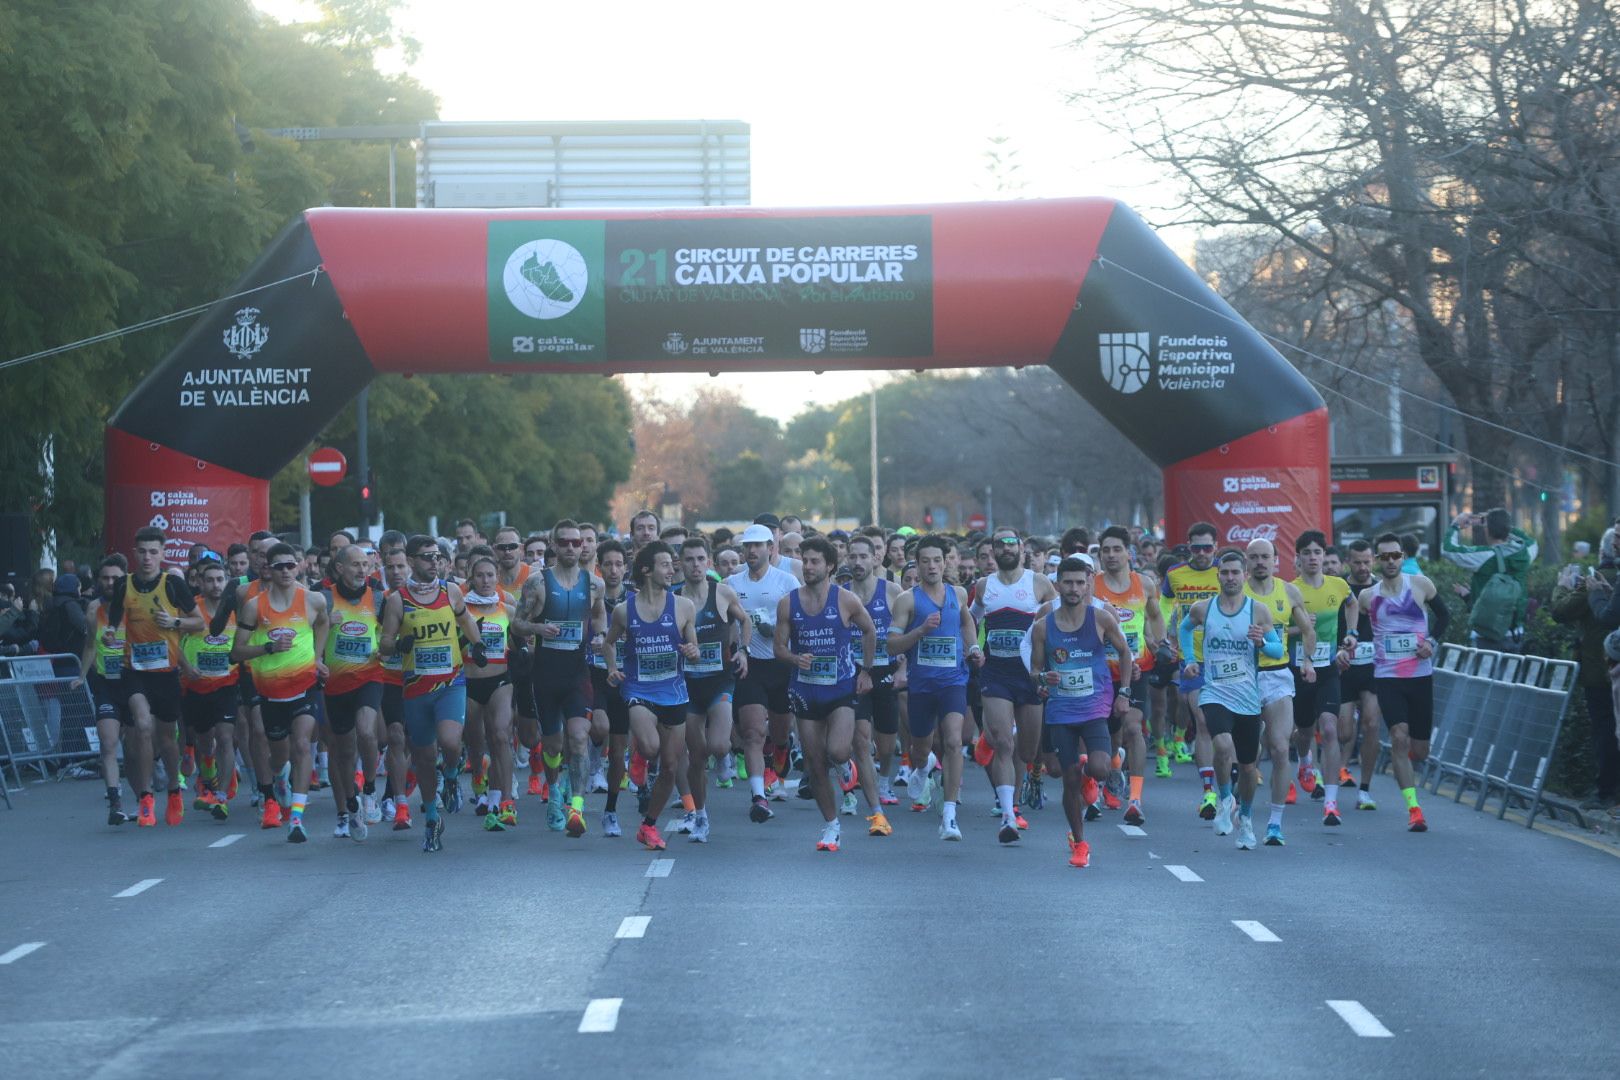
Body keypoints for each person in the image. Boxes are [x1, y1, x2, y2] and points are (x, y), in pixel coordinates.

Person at [377, 534, 488, 852]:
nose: (434, 562)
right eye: (427, 557)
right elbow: (384, 644)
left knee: (451, 741)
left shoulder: (450, 591)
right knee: (424, 758)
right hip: (416, 687)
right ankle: (430, 819)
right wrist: (399, 644)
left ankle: (451, 774)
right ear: (412, 561)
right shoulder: (397, 600)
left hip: (450, 682)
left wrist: (478, 645)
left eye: (437, 556)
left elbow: (466, 620)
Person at [1028, 555, 1135, 867]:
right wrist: (1042, 681)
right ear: (1058, 585)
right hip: (1061, 711)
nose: (1074, 588)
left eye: (1079, 582)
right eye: (1068, 583)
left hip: (1094, 707)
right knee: (1067, 778)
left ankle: (1090, 776)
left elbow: (1125, 653)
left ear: (1088, 584)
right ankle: (1080, 842)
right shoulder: (1043, 627)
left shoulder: (1101, 619)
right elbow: (1034, 671)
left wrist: (1124, 692)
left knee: (1100, 768)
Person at [775, 535, 877, 852]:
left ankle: (846, 766)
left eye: (814, 561)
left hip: (840, 688)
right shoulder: (788, 603)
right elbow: (779, 648)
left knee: (838, 750)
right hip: (805, 690)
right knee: (815, 763)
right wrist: (795, 659)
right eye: (804, 561)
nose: (807, 566)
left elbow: (870, 630)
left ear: (830, 566)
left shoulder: (846, 600)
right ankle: (832, 825)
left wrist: (866, 671)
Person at [1180, 550, 1285, 850]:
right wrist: (1190, 659)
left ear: (1245, 575)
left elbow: (1278, 650)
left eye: (1235, 572)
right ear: (1218, 576)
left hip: (1248, 697)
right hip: (1215, 692)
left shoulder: (1258, 611)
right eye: (1224, 572)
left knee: (1249, 767)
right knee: (1223, 744)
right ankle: (1225, 799)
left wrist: (1261, 642)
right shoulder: (1203, 608)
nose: (1230, 578)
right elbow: (1185, 628)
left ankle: (1246, 818)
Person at [602, 541, 700, 851]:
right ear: (646, 570)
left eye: (672, 564)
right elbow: (608, 643)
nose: (672, 570)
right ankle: (637, 755)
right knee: (650, 747)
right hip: (638, 689)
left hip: (674, 692)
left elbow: (695, 650)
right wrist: (612, 668)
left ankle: (648, 826)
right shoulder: (624, 610)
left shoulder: (684, 607)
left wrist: (692, 651)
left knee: (670, 767)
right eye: (665, 565)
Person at [230, 542, 331, 842]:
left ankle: (296, 817)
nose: (286, 571)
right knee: (279, 756)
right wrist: (268, 647)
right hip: (270, 691)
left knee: (301, 745)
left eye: (291, 565)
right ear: (269, 570)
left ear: (298, 567)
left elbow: (323, 624)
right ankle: (279, 779)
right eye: (279, 566)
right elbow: (236, 652)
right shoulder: (255, 606)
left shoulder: (313, 600)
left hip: (305, 685)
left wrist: (317, 657)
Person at [106, 526, 205, 828]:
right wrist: (110, 633)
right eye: (142, 552)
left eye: (153, 552)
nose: (147, 557)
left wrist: (174, 622)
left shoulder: (172, 584)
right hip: (134, 670)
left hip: (165, 672)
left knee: (166, 738)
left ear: (162, 554)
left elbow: (199, 623)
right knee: (142, 725)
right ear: (135, 554)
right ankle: (146, 797)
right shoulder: (124, 584)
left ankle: (174, 789)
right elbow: (114, 619)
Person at [513, 519, 606, 835]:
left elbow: (598, 615)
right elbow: (517, 623)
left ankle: (576, 808)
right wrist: (537, 628)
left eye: (576, 542)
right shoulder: (537, 583)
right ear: (553, 545)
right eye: (564, 542)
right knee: (552, 746)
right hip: (545, 676)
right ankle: (554, 791)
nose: (570, 548)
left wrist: (600, 635)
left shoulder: (594, 585)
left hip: (577, 675)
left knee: (579, 738)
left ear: (583, 546)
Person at [887, 534, 983, 841]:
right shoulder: (907, 600)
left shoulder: (958, 594)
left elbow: (966, 623)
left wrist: (973, 647)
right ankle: (922, 766)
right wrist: (920, 630)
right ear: (917, 564)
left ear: (945, 563)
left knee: (953, 741)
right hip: (922, 684)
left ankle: (949, 816)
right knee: (921, 749)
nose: (932, 566)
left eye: (937, 560)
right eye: (925, 561)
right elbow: (891, 645)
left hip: (953, 680)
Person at [1357, 532, 1449, 832]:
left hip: (1419, 676)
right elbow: (1355, 627)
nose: (1391, 561)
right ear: (1377, 560)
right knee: (1398, 736)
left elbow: (1444, 617)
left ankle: (1404, 762)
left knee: (1419, 751)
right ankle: (1414, 809)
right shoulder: (1368, 597)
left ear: (1403, 557)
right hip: (1387, 677)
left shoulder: (1421, 585)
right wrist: (1350, 643)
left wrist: (1431, 642)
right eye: (1384, 556)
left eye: (1395, 555)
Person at [973, 527, 1059, 842]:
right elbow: (971, 619)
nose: (1006, 548)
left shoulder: (1039, 583)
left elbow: (1059, 620)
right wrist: (972, 647)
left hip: (1030, 675)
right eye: (1000, 544)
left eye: (1012, 543)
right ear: (993, 551)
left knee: (1026, 750)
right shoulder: (984, 586)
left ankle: (1029, 777)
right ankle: (1009, 814)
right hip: (996, 673)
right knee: (1004, 744)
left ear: (1022, 549)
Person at [676, 536, 750, 843]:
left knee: (719, 745)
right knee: (696, 756)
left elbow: (745, 621)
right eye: (689, 559)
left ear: (708, 562)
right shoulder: (674, 598)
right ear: (680, 564)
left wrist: (743, 650)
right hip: (687, 686)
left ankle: (724, 757)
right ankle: (701, 815)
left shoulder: (722, 592)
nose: (695, 565)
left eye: (700, 559)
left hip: (720, 679)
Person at [727, 523, 802, 822]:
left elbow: (800, 620)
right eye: (748, 546)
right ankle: (758, 797)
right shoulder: (732, 583)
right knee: (753, 733)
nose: (752, 551)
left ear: (771, 549)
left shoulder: (786, 581)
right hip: (750, 665)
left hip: (781, 663)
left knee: (780, 731)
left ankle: (781, 748)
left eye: (758, 545)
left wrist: (778, 631)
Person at [1095, 526, 1166, 827]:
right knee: (1110, 733)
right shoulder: (1092, 585)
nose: (1111, 555)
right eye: (1106, 550)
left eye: (1117, 549)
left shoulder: (1145, 584)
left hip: (1137, 668)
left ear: (1128, 553)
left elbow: (1155, 616)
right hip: (1101, 671)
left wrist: (1159, 642)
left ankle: (1135, 799)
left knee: (1134, 728)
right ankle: (1113, 767)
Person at [1289, 531, 1358, 826]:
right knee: (1304, 732)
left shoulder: (1338, 585)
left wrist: (1351, 633)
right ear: (1298, 558)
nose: (1313, 558)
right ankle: (1305, 761)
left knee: (1329, 728)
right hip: (1298, 669)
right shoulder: (1290, 590)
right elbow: (1274, 629)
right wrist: (1300, 627)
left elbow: (1352, 603)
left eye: (1317, 552)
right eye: (1307, 553)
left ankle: (1331, 803)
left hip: (1327, 668)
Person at [320, 544, 388, 839]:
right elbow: (305, 634)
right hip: (335, 683)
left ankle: (370, 789)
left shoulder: (378, 597)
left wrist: (389, 647)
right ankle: (351, 802)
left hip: (369, 675)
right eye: (355, 564)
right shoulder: (323, 598)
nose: (362, 570)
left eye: (366, 564)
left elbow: (391, 631)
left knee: (367, 732)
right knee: (345, 750)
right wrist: (324, 623)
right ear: (340, 568)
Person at [1552, 551, 1620, 809]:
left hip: (1600, 669)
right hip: (1606, 666)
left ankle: (1605, 791)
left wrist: (1562, 587)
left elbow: (1561, 611)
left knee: (1605, 730)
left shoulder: (1596, 581)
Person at [1162, 522, 1221, 816]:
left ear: (1216, 547)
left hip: (1225, 657)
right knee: (1203, 721)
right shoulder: (1175, 574)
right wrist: (1165, 637)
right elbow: (1164, 605)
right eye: (1196, 548)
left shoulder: (1227, 572)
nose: (1201, 553)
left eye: (1207, 547)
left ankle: (1232, 777)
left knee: (1229, 727)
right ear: (1188, 547)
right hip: (1192, 659)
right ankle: (1209, 791)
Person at [461, 554, 518, 831]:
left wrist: (523, 648)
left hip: (500, 681)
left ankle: (504, 800)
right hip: (469, 682)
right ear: (471, 579)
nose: (485, 580)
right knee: (476, 742)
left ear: (498, 578)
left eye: (490, 575)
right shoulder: (460, 608)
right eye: (480, 575)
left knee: (500, 736)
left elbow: (519, 642)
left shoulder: (507, 609)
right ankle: (478, 781)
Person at [74, 557, 131, 824]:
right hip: (106, 683)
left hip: (134, 682)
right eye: (105, 578)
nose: (110, 583)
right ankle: (115, 802)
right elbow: (90, 645)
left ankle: (145, 793)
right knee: (108, 742)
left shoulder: (134, 606)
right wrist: (81, 676)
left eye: (115, 578)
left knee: (134, 745)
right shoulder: (93, 609)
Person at [1441, 507, 1537, 652]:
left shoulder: (1483, 556)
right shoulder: (1526, 554)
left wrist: (1455, 525)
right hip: (1516, 634)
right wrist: (1502, 525)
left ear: (1487, 531)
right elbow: (1530, 541)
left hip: (1485, 635)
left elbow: (1448, 549)